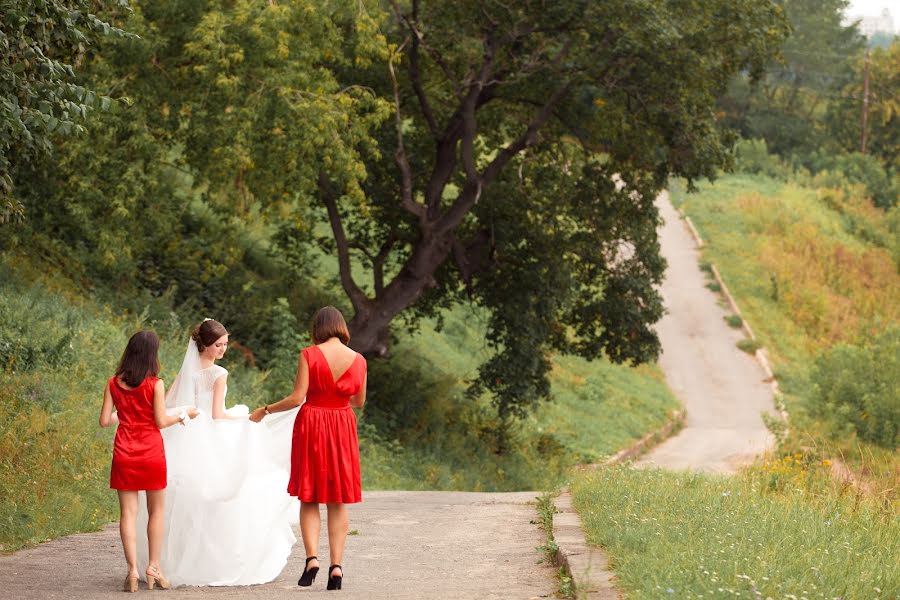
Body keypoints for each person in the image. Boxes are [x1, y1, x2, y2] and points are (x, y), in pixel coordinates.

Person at [135, 319, 299, 586]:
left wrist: (183, 417)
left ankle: (172, 560)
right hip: (208, 435)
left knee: (184, 498)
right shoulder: (218, 374)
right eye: (218, 345)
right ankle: (209, 561)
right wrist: (244, 419)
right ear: (206, 345)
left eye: (224, 343)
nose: (223, 349)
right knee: (218, 495)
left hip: (185, 434)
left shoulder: (185, 372)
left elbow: (166, 404)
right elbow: (217, 415)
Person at [251, 306, 367, 591]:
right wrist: (337, 405)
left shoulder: (309, 354)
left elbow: (296, 398)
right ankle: (336, 567)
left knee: (310, 495)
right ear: (341, 327)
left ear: (318, 328)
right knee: (337, 499)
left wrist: (265, 410)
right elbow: (359, 401)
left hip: (312, 424)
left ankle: (312, 559)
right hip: (341, 425)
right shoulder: (359, 359)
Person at [99, 330, 198, 592]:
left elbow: (104, 420)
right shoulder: (155, 384)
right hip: (151, 453)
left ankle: (132, 571)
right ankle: (153, 566)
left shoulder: (113, 383)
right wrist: (185, 414)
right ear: (152, 355)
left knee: (128, 514)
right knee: (156, 512)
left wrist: (126, 412)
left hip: (124, 453)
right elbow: (161, 421)